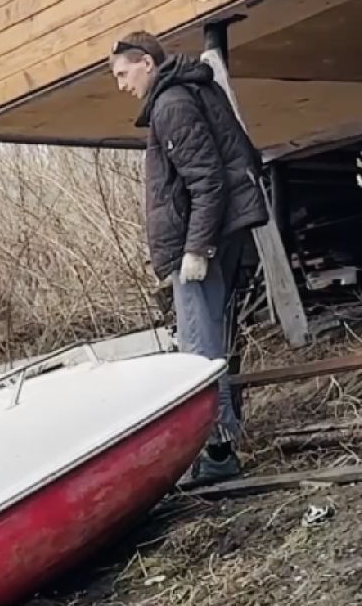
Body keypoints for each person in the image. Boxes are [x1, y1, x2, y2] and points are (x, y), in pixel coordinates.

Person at [110, 30, 270, 485]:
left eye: (123, 74)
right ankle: (219, 443)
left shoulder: (172, 104)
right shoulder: (184, 95)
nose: (122, 85)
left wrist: (196, 249)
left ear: (146, 63)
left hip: (201, 244)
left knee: (199, 350)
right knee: (209, 343)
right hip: (211, 237)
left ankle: (217, 451)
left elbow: (207, 181)